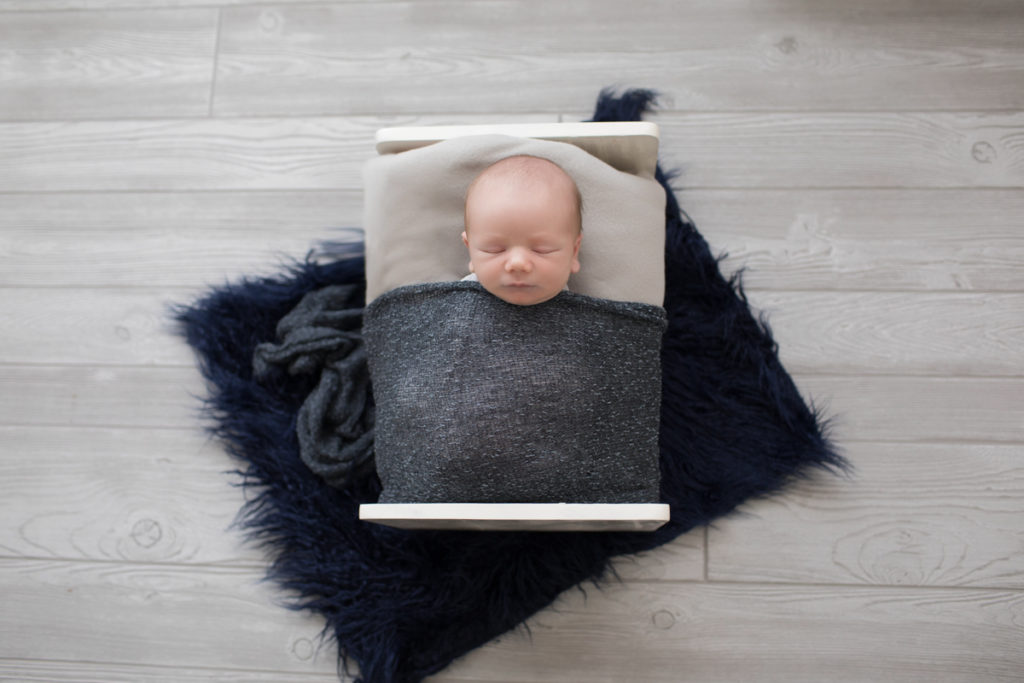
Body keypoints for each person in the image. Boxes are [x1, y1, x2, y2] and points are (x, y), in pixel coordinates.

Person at [461, 155, 583, 306]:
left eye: (542, 249)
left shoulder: (582, 314)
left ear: (574, 251)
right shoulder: (456, 302)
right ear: (470, 249)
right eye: (495, 249)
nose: (518, 263)